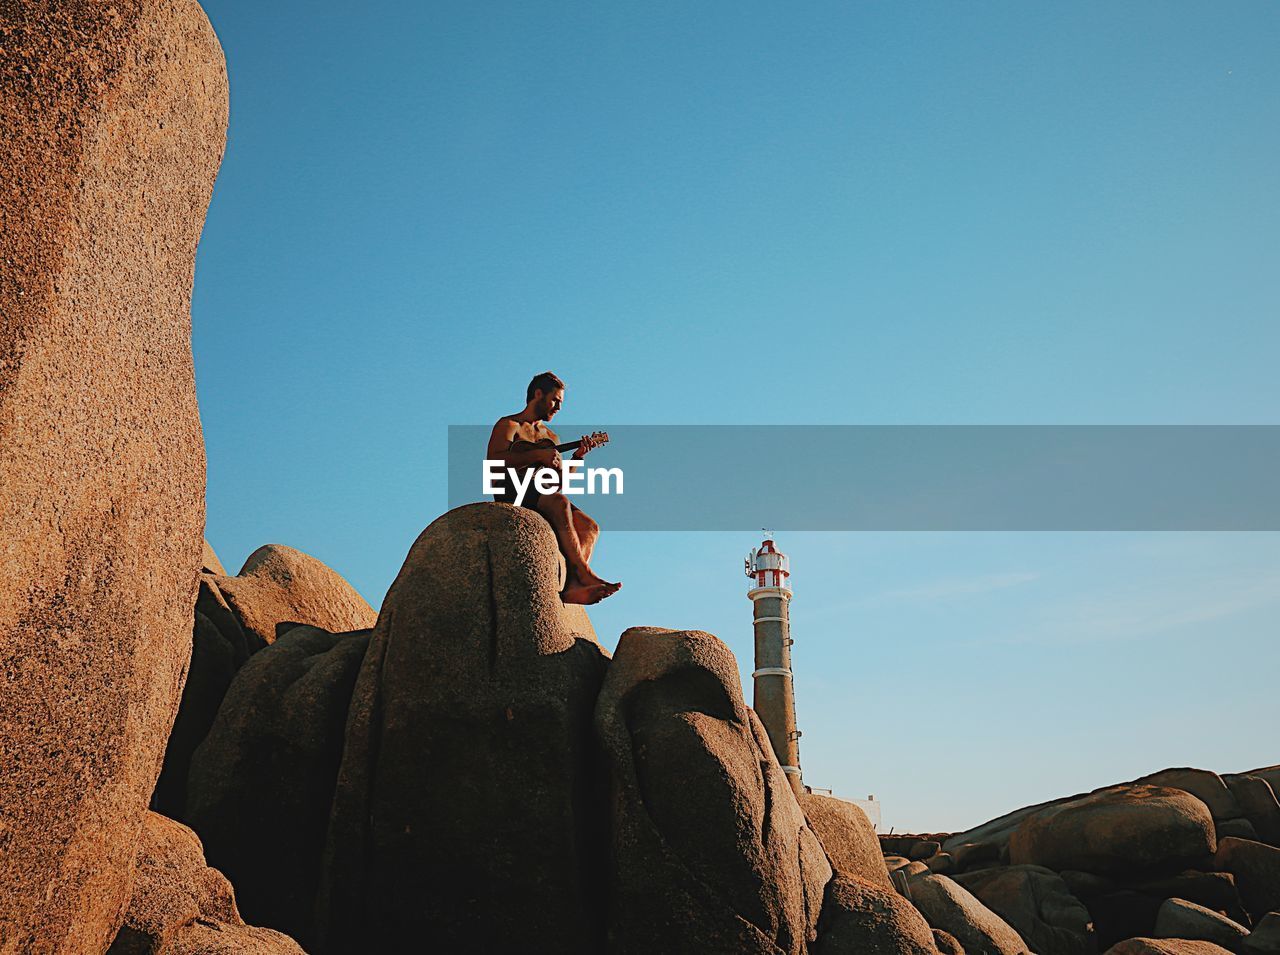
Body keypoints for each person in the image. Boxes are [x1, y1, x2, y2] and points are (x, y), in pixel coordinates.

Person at [486, 371, 621, 605]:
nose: (558, 407)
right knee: (558, 501)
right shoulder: (509, 424)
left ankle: (572, 586)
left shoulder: (551, 437)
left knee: (590, 527)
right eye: (555, 400)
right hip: (512, 489)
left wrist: (578, 457)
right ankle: (583, 572)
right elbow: (493, 461)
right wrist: (538, 454)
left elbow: (560, 483)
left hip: (541, 493)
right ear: (538, 394)